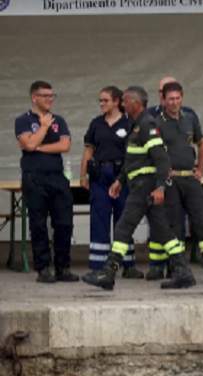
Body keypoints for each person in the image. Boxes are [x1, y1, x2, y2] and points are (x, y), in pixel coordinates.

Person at [82, 86, 193, 290]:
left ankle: (108, 272)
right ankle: (183, 271)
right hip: (139, 185)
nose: (122, 104)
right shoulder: (136, 125)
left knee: (123, 227)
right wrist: (120, 180)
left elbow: (162, 159)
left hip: (145, 187)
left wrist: (160, 187)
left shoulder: (146, 125)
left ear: (136, 103)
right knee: (163, 231)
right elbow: (133, 159)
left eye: (124, 101)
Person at [155, 82, 203, 285]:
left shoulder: (190, 118)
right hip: (171, 180)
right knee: (173, 225)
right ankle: (178, 270)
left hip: (190, 178)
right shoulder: (157, 123)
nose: (175, 102)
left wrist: (200, 168)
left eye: (178, 98)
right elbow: (153, 153)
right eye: (171, 99)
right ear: (163, 100)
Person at [14, 80, 76, 284]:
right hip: (34, 176)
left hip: (57, 176)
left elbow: (65, 145)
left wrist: (38, 146)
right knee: (38, 223)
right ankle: (43, 268)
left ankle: (63, 266)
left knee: (64, 222)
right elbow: (28, 143)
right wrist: (43, 127)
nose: (50, 99)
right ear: (34, 97)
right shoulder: (23, 120)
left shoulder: (59, 119)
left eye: (52, 96)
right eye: (46, 96)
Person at [79, 86, 143, 279]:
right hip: (100, 176)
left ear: (117, 101)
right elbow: (89, 150)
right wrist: (83, 176)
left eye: (105, 100)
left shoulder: (129, 122)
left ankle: (127, 264)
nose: (102, 104)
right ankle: (99, 265)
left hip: (122, 175)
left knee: (124, 220)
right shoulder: (96, 123)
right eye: (100, 101)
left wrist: (125, 177)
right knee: (99, 218)